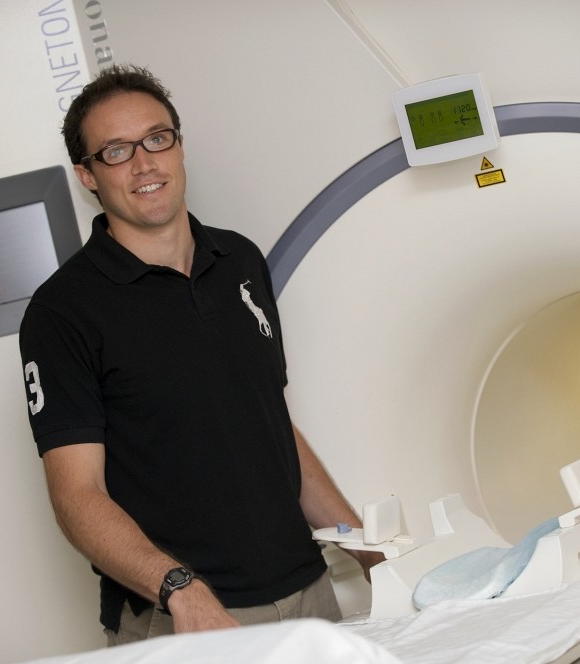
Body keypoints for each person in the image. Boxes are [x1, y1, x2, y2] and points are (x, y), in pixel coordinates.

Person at [19, 64, 381, 645]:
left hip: (309, 593)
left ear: (180, 145)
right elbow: (76, 496)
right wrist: (180, 589)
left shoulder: (239, 262)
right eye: (116, 151)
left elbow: (269, 423)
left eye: (157, 139)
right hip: (185, 616)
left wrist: (364, 544)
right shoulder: (62, 312)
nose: (144, 164)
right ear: (87, 175)